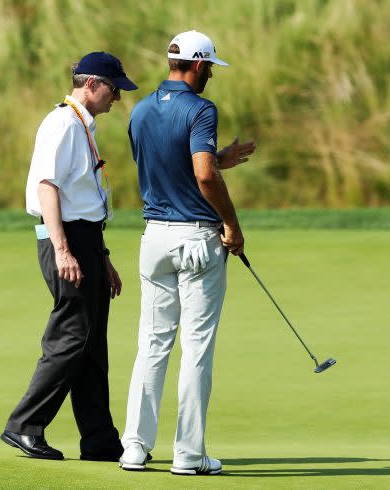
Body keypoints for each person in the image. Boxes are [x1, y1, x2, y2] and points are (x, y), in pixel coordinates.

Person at [120, 30, 255, 476]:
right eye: (211, 66)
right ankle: (188, 455)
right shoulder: (201, 109)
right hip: (196, 239)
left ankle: (134, 449)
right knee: (196, 348)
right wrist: (232, 225)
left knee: (152, 346)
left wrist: (221, 158)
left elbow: (168, 163)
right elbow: (201, 176)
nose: (212, 73)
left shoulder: (139, 111)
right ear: (197, 65)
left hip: (153, 238)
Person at [1, 52, 137, 461]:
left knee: (93, 343)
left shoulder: (83, 124)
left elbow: (85, 198)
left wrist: (103, 256)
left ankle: (99, 440)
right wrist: (63, 249)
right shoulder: (62, 123)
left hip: (87, 240)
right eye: (114, 89)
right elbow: (47, 188)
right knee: (72, 335)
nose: (118, 98)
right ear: (93, 84)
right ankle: (24, 426)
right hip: (67, 241)